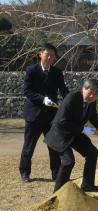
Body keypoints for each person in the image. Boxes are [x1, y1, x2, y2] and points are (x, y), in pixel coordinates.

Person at [44, 79, 98, 192]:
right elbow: (62, 121)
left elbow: (94, 119)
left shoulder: (92, 102)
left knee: (92, 152)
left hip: (75, 133)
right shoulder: (72, 98)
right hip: (60, 134)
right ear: (84, 88)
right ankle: (58, 193)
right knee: (68, 161)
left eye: (96, 94)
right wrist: (83, 129)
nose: (92, 96)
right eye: (90, 92)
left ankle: (87, 185)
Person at [19, 43, 69, 182]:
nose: (50, 58)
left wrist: (70, 101)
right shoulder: (31, 70)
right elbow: (27, 91)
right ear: (40, 54)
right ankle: (24, 172)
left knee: (53, 145)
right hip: (33, 115)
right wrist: (42, 99)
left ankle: (56, 173)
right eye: (48, 54)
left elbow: (63, 90)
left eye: (53, 56)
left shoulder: (57, 72)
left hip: (51, 115)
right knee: (29, 146)